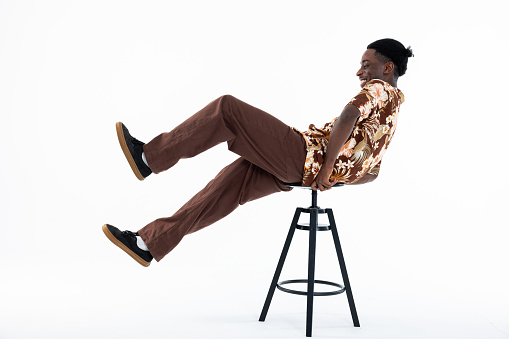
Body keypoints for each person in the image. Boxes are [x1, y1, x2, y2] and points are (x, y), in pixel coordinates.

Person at [102, 38, 413, 267]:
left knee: (227, 109)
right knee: (222, 190)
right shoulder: (391, 119)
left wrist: (325, 167)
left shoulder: (380, 89)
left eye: (366, 64)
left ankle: (149, 158)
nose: (359, 72)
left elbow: (348, 115)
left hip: (301, 156)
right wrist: (330, 178)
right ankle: (148, 243)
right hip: (302, 173)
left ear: (388, 68)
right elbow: (371, 174)